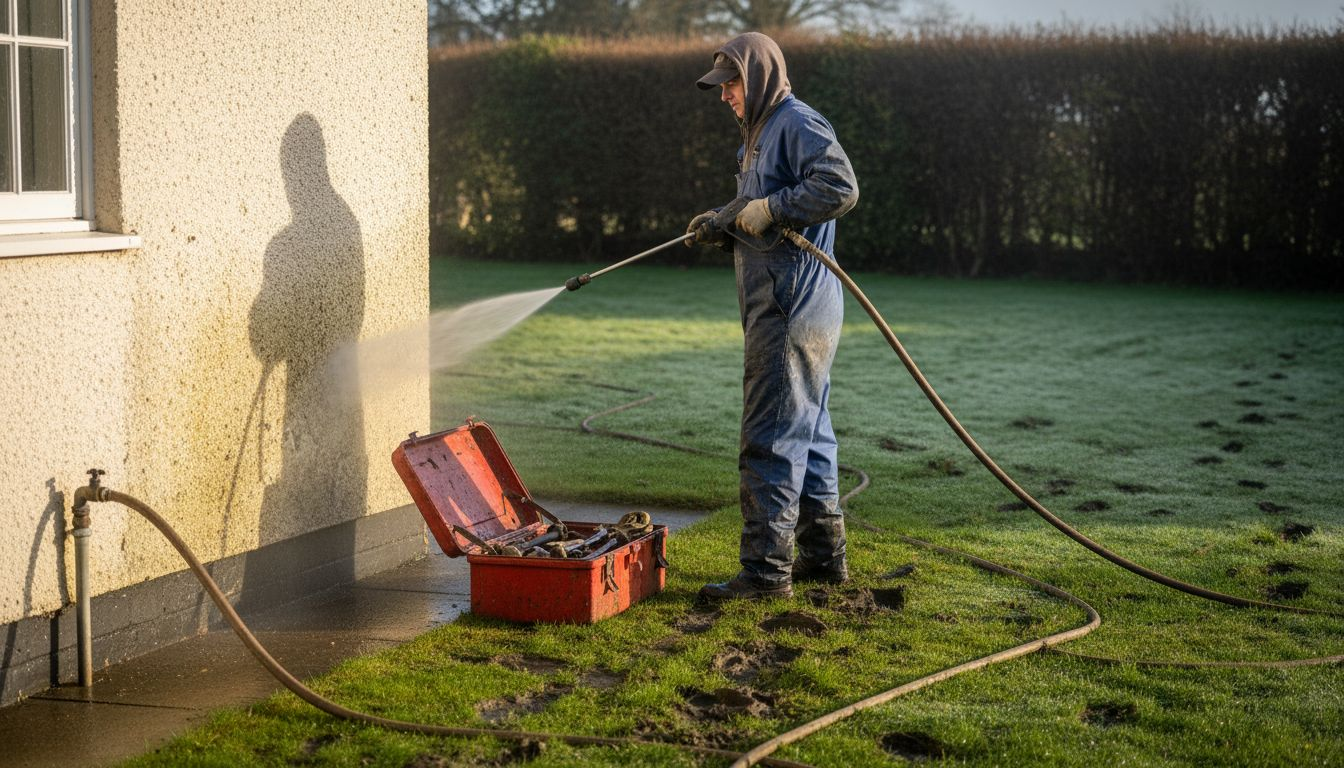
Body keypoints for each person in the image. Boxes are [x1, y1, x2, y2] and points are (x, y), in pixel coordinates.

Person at [687, 32, 859, 600]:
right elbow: (759, 209)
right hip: (797, 305)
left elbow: (839, 186)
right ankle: (823, 559)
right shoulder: (760, 133)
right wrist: (723, 221)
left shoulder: (796, 122)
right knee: (810, 433)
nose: (724, 95)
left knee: (769, 436)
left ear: (759, 76)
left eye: (731, 83)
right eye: (720, 86)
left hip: (791, 308)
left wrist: (772, 207)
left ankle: (764, 575)